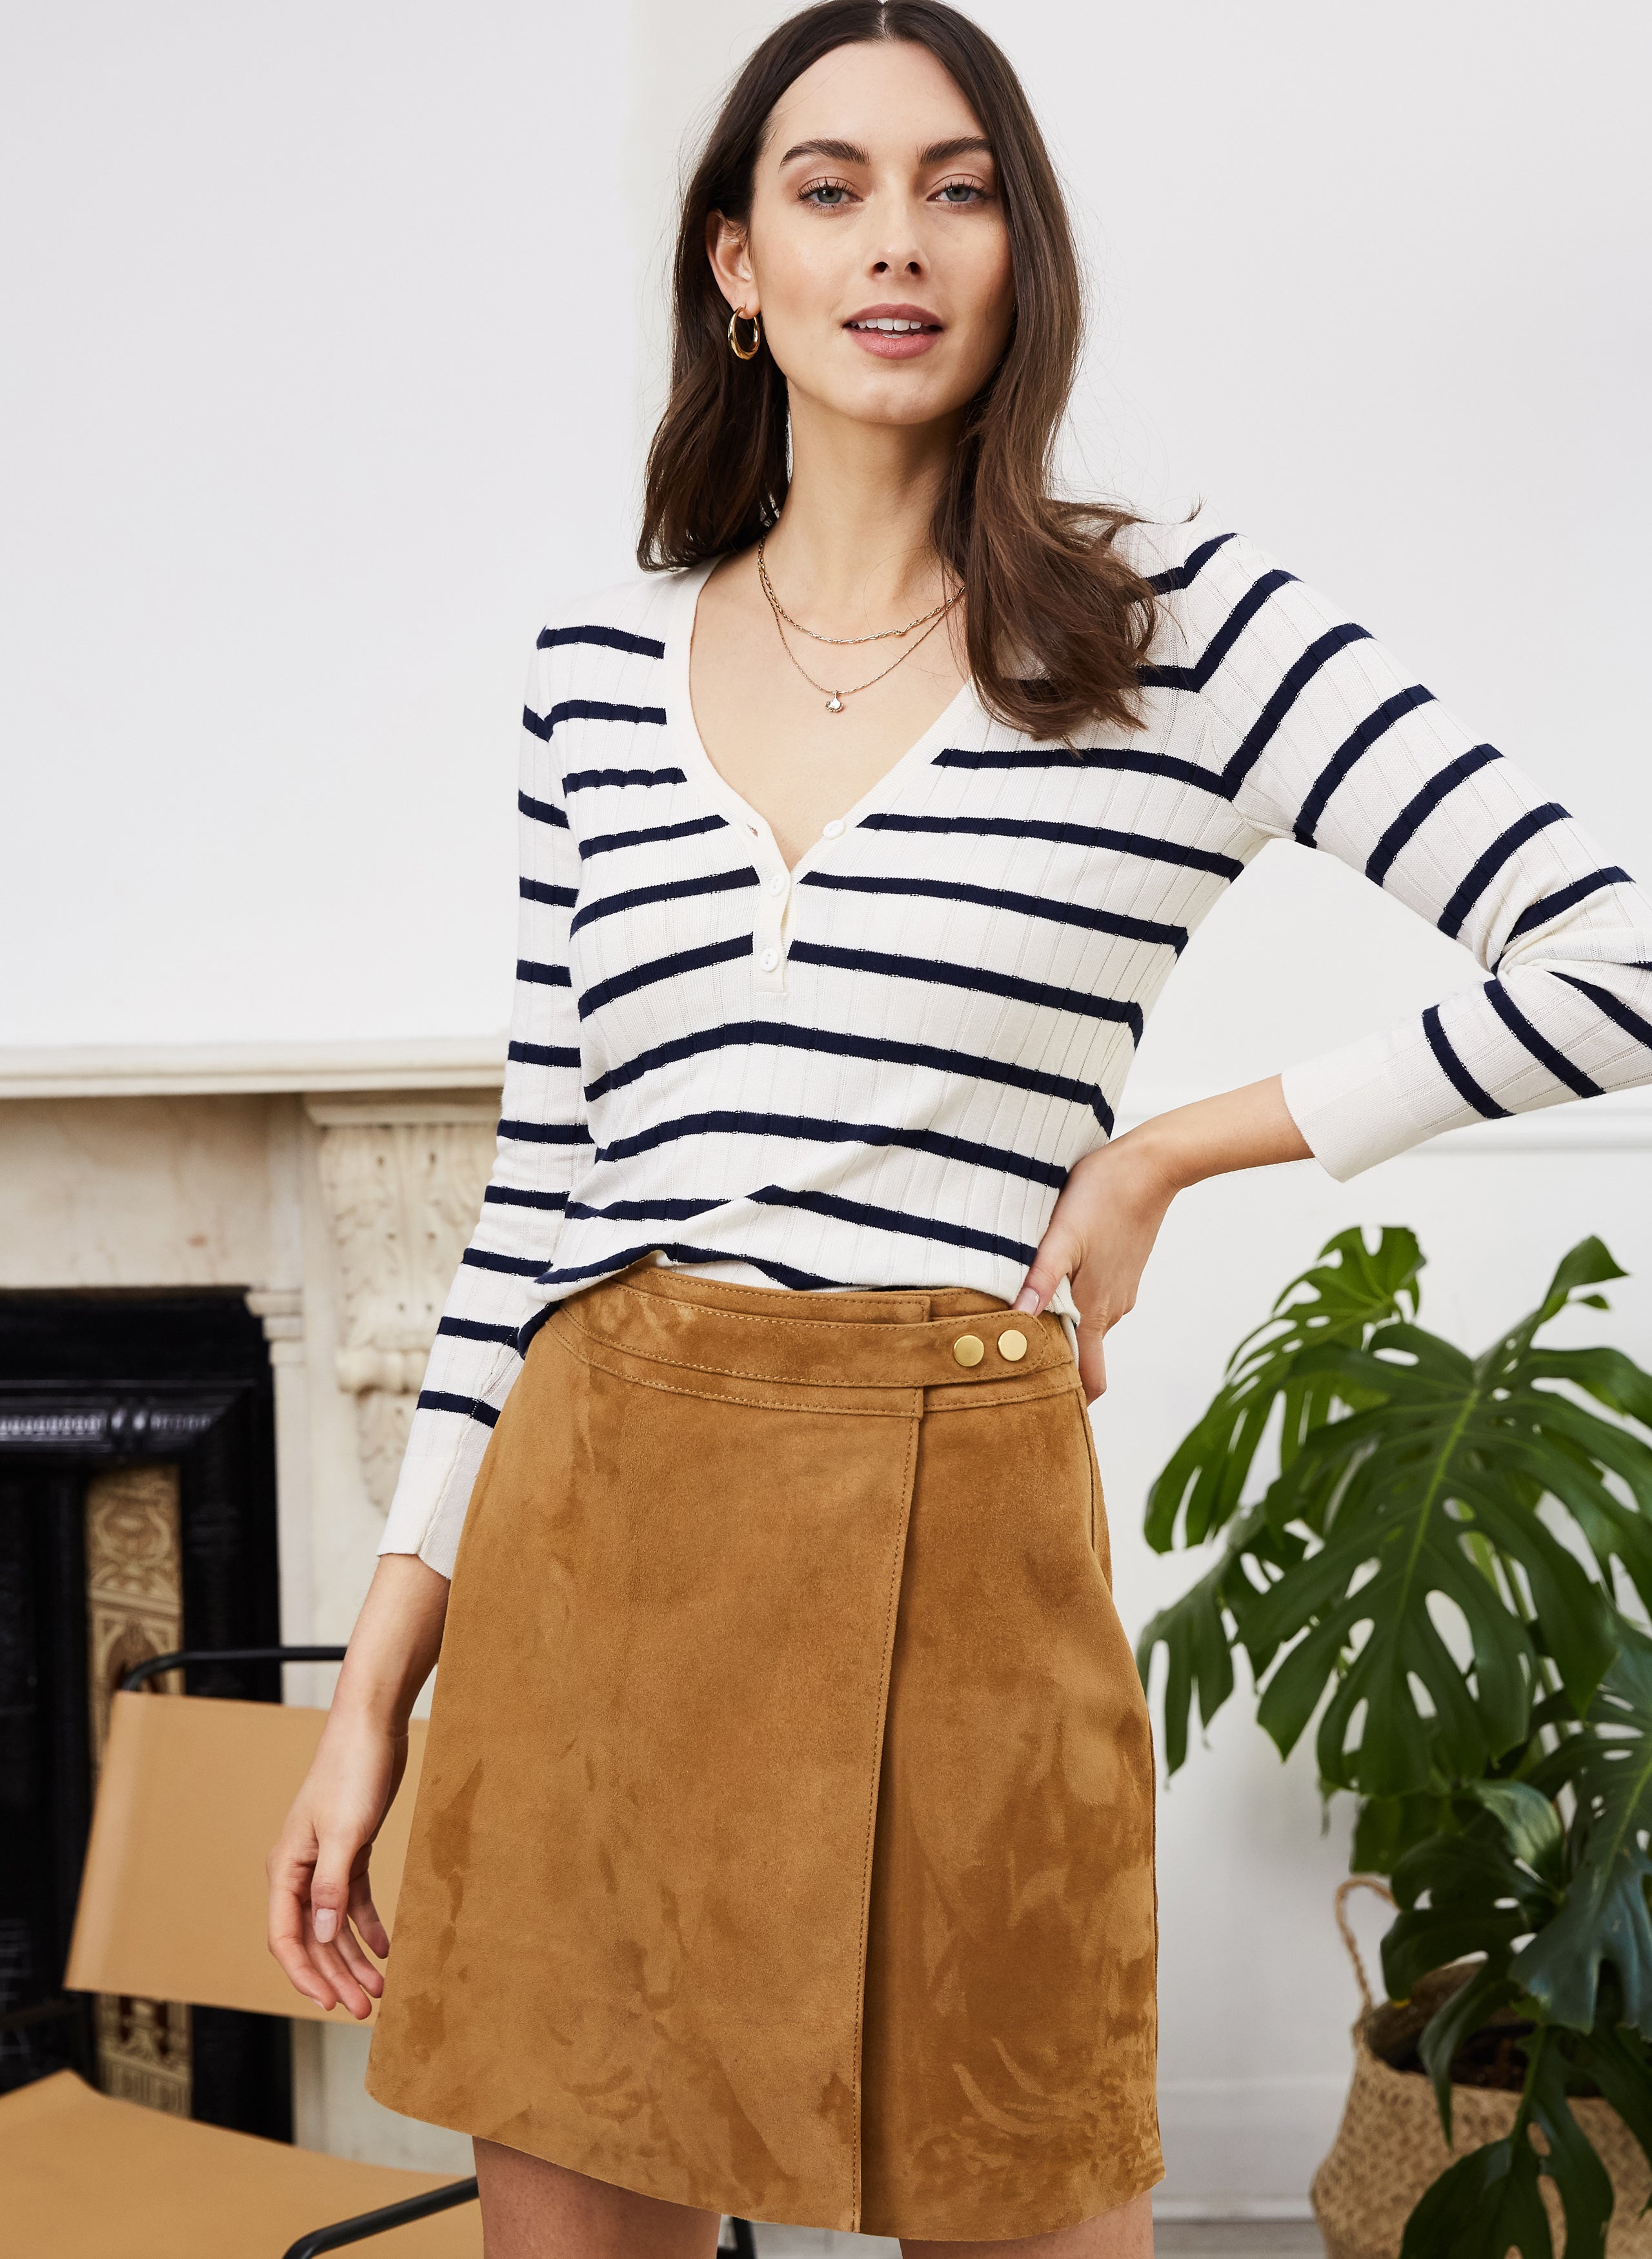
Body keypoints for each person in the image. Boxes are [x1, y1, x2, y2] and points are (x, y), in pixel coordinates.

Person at [265, 5, 1652, 2254]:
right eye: (828, 189)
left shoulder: (1172, 626)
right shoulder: (594, 674)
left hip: (960, 1560)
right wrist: (374, 1689)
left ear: (1024, 251)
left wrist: (1168, 1150)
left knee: (1025, 2180)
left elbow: (1619, 956)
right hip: (596, 1560)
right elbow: (541, 1196)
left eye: (959, 187)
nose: (895, 241)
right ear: (737, 264)